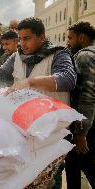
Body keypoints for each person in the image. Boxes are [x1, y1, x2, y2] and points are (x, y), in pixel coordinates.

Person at [0, 17, 77, 188]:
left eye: (27, 38)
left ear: (42, 37)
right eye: (20, 38)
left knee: (50, 175)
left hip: (51, 129)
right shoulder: (17, 56)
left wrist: (32, 82)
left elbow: (68, 79)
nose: (22, 44)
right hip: (25, 126)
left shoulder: (58, 54)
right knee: (29, 174)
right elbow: (1, 73)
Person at [65, 21, 95, 189]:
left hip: (86, 126)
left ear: (82, 37)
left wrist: (81, 131)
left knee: (76, 166)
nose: (68, 42)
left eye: (70, 38)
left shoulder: (85, 56)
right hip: (90, 122)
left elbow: (87, 96)